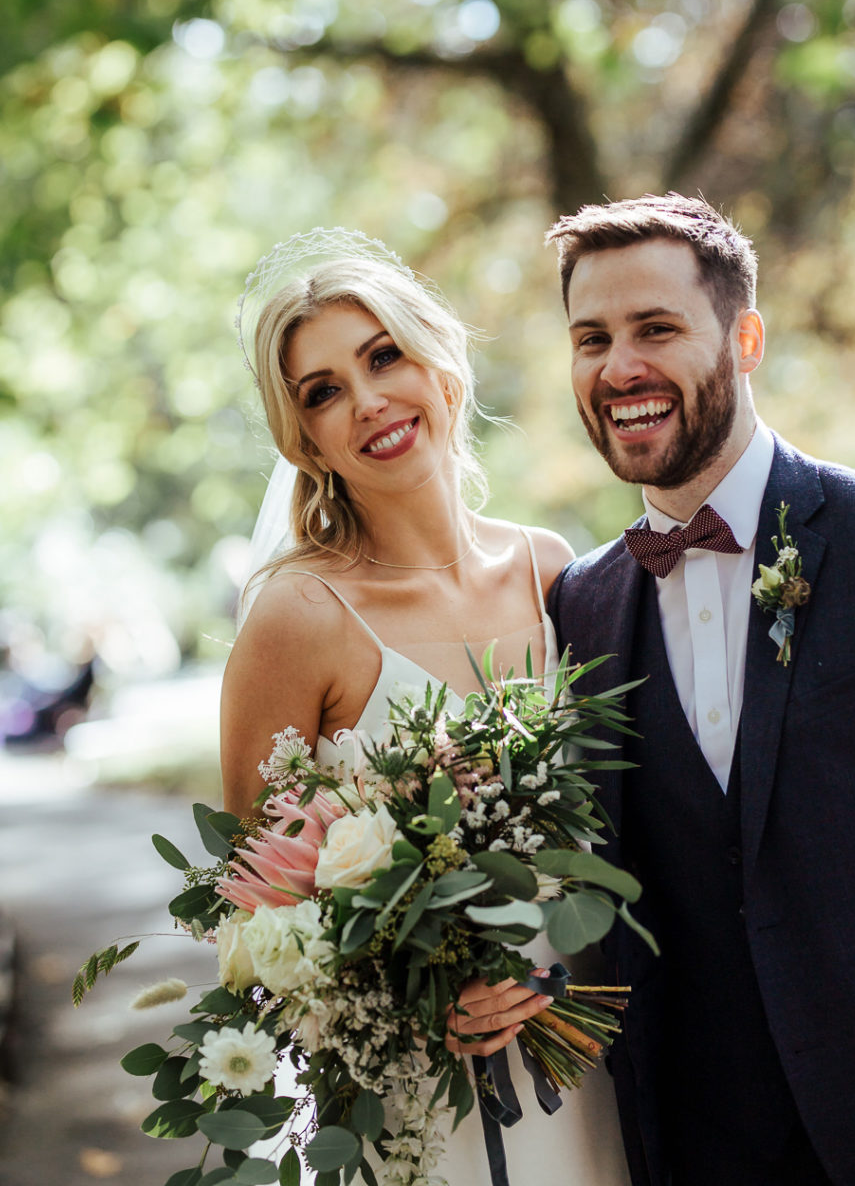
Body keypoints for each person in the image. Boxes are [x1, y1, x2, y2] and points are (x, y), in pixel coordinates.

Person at [542, 193, 855, 1186]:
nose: (619, 367)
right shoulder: (579, 607)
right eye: (590, 338)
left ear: (746, 338)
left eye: (656, 328)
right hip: (695, 1141)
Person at [220, 229, 631, 1186]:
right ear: (305, 439)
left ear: (439, 362)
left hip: (592, 1057)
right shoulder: (298, 616)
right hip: (427, 1096)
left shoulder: (551, 569)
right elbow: (247, 917)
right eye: (322, 392)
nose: (366, 402)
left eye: (382, 356)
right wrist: (417, 987)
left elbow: (622, 838)